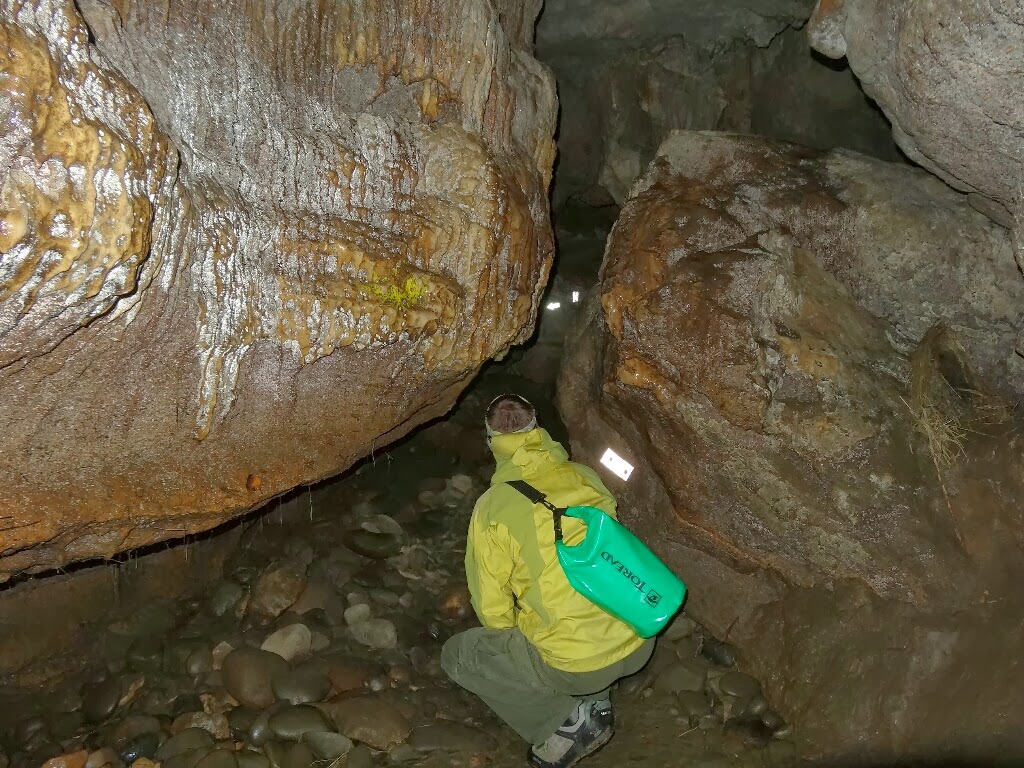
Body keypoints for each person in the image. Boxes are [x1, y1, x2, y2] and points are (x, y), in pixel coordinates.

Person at [441, 394, 655, 768]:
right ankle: (597, 698)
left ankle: (566, 722)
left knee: (459, 654)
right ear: (537, 428)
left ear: (491, 441)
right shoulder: (585, 476)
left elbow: (492, 610)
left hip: (579, 667)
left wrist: (515, 649)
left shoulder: (492, 508)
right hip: (640, 636)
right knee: (581, 607)